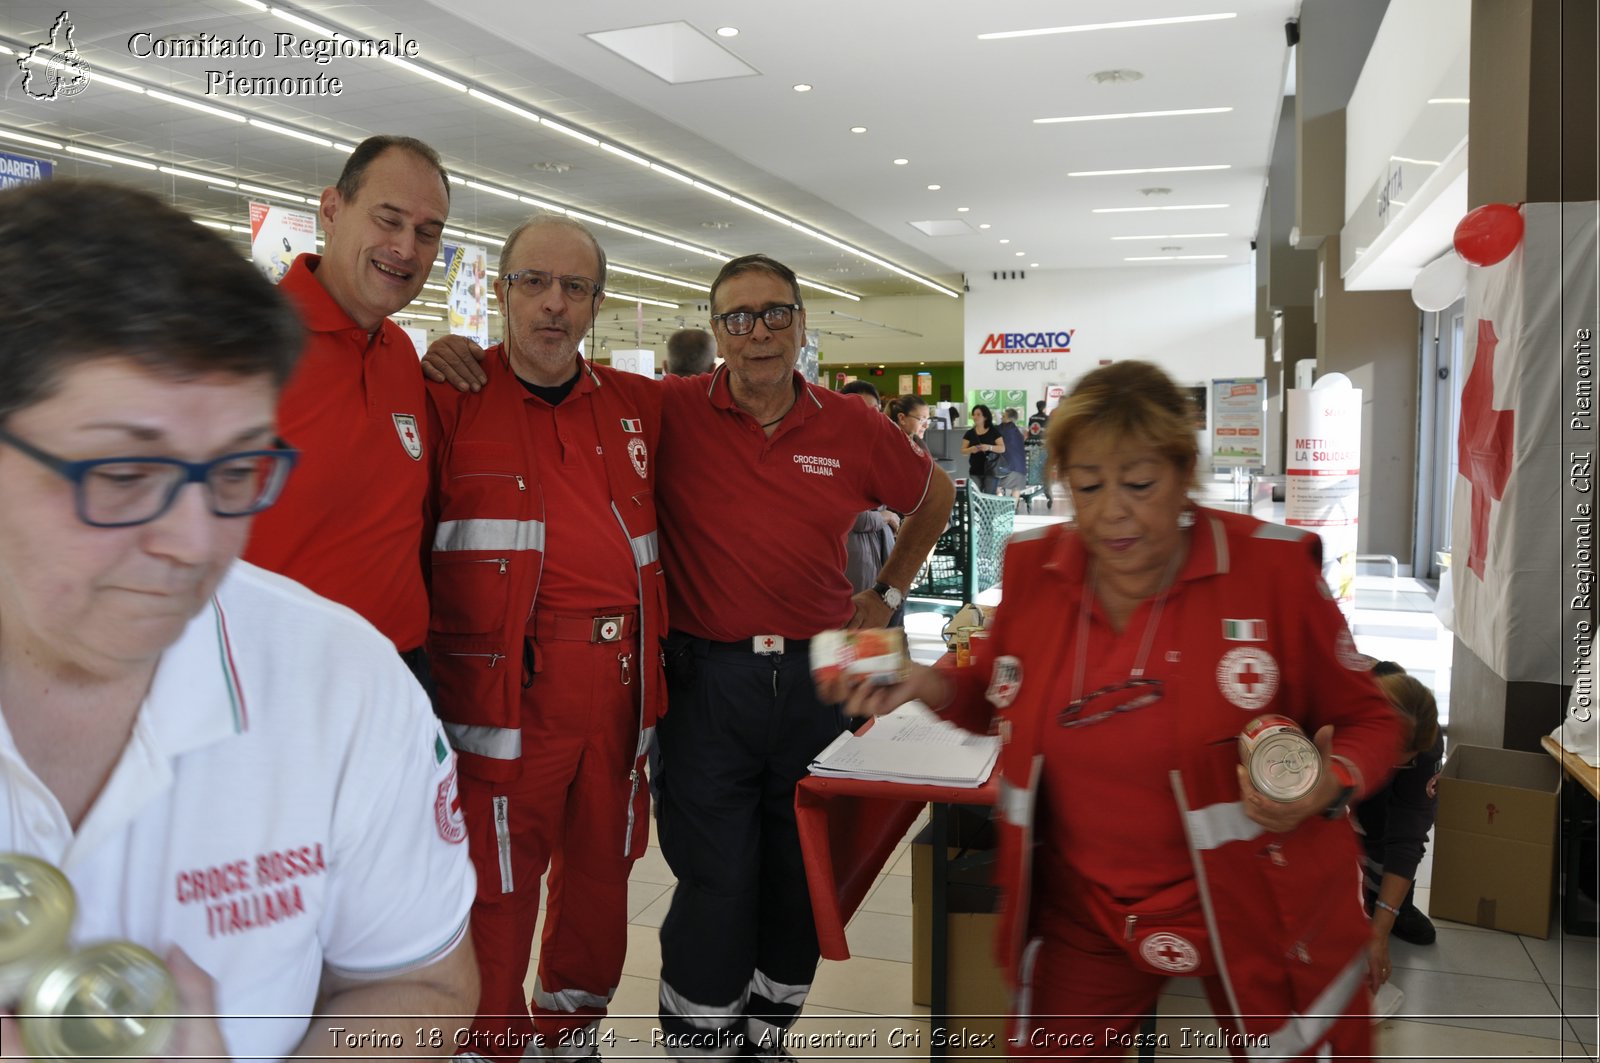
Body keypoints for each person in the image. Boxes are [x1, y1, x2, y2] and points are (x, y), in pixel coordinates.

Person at [420, 253, 957, 1060]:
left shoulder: (853, 423)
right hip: (706, 671)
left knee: (805, 874)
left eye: (776, 313)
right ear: (716, 333)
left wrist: (883, 594)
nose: (758, 334)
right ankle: (698, 1040)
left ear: (803, 324)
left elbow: (935, 497)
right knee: (716, 877)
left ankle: (768, 1031)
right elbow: (556, 373)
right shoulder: (668, 407)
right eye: (737, 319)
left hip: (832, 664)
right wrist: (443, 347)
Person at [0, 180, 477, 1060]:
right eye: (121, 471)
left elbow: (421, 986)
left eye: (233, 472)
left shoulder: (342, 683)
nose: (194, 544)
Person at [846, 360, 1403, 1060]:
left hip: (1264, 900)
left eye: (1140, 484)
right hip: (1087, 912)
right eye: (1087, 485)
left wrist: (1330, 779)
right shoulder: (1036, 568)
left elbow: (1374, 720)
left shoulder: (1271, 571)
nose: (1112, 511)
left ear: (1183, 474)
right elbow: (998, 686)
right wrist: (922, 685)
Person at [423, 214, 665, 1061]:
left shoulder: (638, 406)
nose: (553, 304)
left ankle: (571, 1035)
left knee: (603, 875)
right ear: (500, 290)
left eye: (574, 287)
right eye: (533, 282)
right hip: (504, 690)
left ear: (598, 302)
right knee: (497, 883)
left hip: (622, 685)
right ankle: (491, 1044)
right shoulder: (448, 396)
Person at [243, 134, 451, 683]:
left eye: (427, 233)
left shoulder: (403, 353)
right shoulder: (242, 345)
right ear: (332, 209)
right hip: (280, 681)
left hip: (402, 674)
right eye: (389, 219)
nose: (407, 247)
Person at [1358, 661, 1444, 1018]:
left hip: (1372, 796)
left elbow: (1410, 833)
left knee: (1382, 820)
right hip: (1324, 761)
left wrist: (1380, 929)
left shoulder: (1425, 744)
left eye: (1401, 763)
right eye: (1386, 758)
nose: (1389, 767)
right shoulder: (1325, 709)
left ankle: (1387, 900)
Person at [840, 382, 903, 627]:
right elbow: (850, 516)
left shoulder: (878, 448)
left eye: (875, 409)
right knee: (861, 631)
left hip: (882, 555)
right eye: (859, 410)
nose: (869, 417)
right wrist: (884, 517)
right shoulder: (832, 453)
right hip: (854, 560)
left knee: (891, 630)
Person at [961, 402, 1004, 493]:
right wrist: (971, 449)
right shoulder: (970, 433)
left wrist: (989, 447)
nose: (975, 417)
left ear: (985, 417)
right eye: (974, 415)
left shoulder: (993, 431)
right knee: (976, 497)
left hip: (991, 470)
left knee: (989, 497)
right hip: (975, 470)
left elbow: (1002, 448)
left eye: (978, 414)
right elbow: (963, 451)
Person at [997, 407, 1029, 502]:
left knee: (993, 483)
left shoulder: (1002, 428)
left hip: (1007, 467)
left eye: (1003, 416)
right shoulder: (1018, 432)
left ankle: (1000, 501)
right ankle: (1012, 511)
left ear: (1009, 419)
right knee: (1016, 488)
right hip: (1021, 468)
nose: (1001, 418)